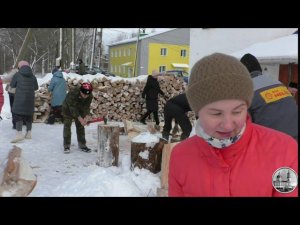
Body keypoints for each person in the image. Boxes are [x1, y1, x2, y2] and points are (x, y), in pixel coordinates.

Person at [169, 53, 298, 197]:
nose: (228, 125)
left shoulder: (284, 150)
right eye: (216, 114)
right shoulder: (181, 156)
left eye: (237, 112)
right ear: (197, 111)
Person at [240, 53, 298, 141]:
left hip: (273, 143)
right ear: (260, 69)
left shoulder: (246, 90)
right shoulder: (278, 83)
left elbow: (242, 127)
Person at [10, 60, 39, 143]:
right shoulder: (33, 76)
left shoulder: (17, 75)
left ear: (20, 67)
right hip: (30, 99)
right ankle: (29, 133)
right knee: (29, 114)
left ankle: (19, 133)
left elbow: (12, 85)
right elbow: (36, 87)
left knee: (17, 113)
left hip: (20, 98)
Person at [62, 82, 93, 153]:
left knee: (80, 127)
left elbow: (86, 107)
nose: (85, 96)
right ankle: (66, 145)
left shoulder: (90, 96)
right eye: (83, 94)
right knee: (67, 126)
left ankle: (82, 144)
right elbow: (72, 108)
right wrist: (80, 118)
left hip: (80, 108)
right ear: (80, 91)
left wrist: (87, 116)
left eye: (87, 95)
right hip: (68, 108)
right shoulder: (73, 93)